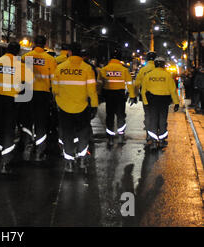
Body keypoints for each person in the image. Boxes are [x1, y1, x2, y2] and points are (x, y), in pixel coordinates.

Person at [52, 42, 98, 173]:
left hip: (64, 107)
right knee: (83, 133)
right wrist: (94, 105)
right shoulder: (87, 68)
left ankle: (69, 163)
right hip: (82, 106)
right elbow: (92, 90)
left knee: (67, 134)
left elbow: (54, 89)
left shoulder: (60, 68)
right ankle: (83, 160)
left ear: (69, 52)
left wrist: (57, 102)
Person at [0, 42, 32, 174]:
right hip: (12, 100)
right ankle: (5, 161)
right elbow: (29, 81)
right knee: (9, 129)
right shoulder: (20, 65)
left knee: (0, 127)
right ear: (18, 52)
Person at [20, 35, 57, 161]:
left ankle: (27, 144)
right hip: (43, 94)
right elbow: (54, 80)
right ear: (45, 44)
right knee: (41, 122)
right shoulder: (50, 59)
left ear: (35, 43)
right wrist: (54, 95)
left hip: (27, 92)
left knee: (27, 120)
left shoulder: (25, 57)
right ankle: (40, 150)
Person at [97, 49, 136, 146]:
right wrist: (132, 96)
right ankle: (121, 136)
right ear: (120, 58)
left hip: (108, 95)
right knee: (121, 116)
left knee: (109, 116)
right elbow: (129, 84)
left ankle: (110, 138)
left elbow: (99, 84)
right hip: (120, 95)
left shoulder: (104, 69)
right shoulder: (124, 70)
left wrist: (97, 95)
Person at [141, 57, 179, 150]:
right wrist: (176, 103)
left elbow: (143, 90)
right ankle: (162, 141)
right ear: (163, 64)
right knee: (162, 120)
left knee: (153, 120)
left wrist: (146, 102)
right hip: (164, 101)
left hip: (152, 101)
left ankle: (153, 142)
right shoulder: (167, 75)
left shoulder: (149, 75)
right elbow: (173, 90)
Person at [134, 51, 157, 141]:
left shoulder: (143, 70)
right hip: (158, 95)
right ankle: (155, 133)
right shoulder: (159, 69)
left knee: (148, 114)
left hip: (146, 95)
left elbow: (137, 84)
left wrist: (134, 95)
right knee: (156, 114)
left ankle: (148, 134)